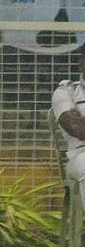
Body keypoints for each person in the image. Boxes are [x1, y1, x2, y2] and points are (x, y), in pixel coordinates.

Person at [53, 45, 85, 213]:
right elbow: (77, 128)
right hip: (80, 155)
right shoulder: (66, 91)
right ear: (81, 61)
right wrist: (79, 123)